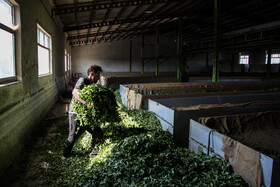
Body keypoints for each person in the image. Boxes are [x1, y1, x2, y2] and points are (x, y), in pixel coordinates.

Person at [61, 65, 103, 162]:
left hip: (85, 115)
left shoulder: (92, 85)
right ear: (91, 74)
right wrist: (86, 103)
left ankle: (94, 154)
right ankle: (64, 157)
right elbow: (75, 93)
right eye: (97, 75)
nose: (98, 78)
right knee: (72, 137)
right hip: (75, 114)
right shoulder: (82, 80)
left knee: (98, 132)